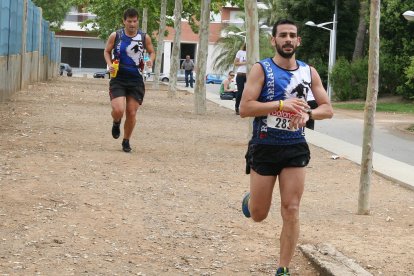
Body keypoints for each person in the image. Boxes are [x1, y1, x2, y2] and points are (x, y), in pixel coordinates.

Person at [239, 19, 333, 276]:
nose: (288, 39)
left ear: (298, 41)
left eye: (292, 35)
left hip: (295, 147)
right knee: (259, 214)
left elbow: (328, 109)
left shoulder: (308, 71)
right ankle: (252, 200)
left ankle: (283, 268)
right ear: (274, 40)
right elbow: (245, 108)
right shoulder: (262, 69)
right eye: (283, 35)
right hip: (265, 146)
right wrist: (281, 105)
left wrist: (309, 114)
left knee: (291, 208)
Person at [104, 8, 155, 152]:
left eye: (134, 21)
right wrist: (109, 65)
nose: (132, 24)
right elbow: (107, 51)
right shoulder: (116, 36)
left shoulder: (144, 37)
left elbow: (152, 52)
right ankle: (116, 121)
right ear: (124, 21)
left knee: (131, 112)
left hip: (136, 79)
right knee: (118, 110)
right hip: (118, 78)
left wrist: (150, 60)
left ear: (138, 21)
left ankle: (126, 141)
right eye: (129, 21)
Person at [234, 43, 247, 115]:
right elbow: (235, 63)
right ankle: (237, 107)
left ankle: (246, 107)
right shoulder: (240, 52)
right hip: (241, 74)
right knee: (240, 92)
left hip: (249, 75)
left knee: (249, 92)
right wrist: (244, 63)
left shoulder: (253, 53)